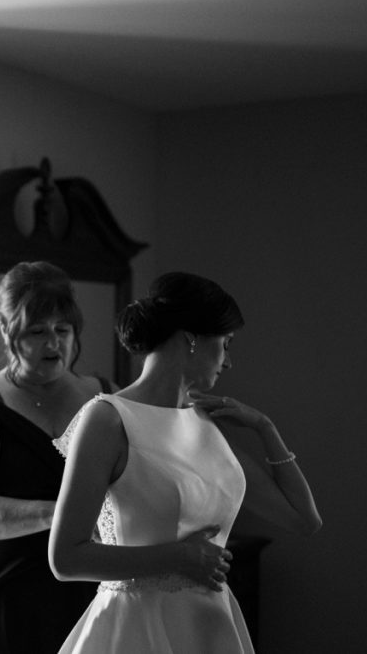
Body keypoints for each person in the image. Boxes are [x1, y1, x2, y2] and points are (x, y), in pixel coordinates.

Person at [49, 272, 322, 653]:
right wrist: (179, 557)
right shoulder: (108, 419)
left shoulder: (204, 420)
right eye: (225, 344)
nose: (228, 362)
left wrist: (264, 427)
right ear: (191, 338)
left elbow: (303, 519)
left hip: (209, 627)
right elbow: (65, 558)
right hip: (136, 627)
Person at [0, 261, 112, 652]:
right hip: (4, 591)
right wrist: (59, 514)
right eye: (37, 331)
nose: (53, 343)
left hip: (87, 590)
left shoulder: (104, 396)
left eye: (62, 330)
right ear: (6, 331)